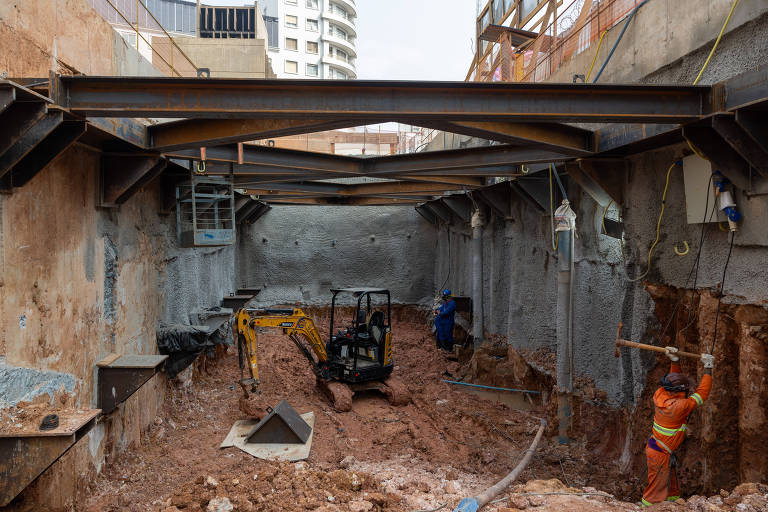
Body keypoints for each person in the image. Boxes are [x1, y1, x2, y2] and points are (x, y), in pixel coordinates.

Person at [641, 346, 714, 507]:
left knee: (671, 486)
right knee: (655, 491)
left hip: (661, 450)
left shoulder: (661, 393)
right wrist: (708, 368)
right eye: (685, 389)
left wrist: (675, 361)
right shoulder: (679, 407)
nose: (687, 390)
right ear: (679, 392)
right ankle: (648, 509)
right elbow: (702, 394)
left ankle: (674, 506)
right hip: (660, 454)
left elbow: (673, 379)